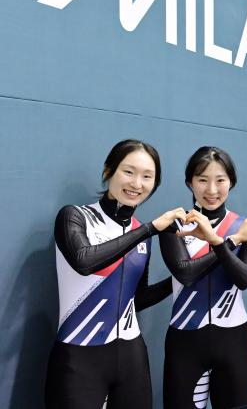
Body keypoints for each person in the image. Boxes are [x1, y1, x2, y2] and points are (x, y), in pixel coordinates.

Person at [45, 139, 185, 409]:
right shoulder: (75, 216)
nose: (137, 184)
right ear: (109, 170)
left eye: (147, 176)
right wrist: (149, 229)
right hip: (79, 355)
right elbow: (84, 261)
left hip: (132, 357)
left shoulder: (141, 234)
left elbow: (137, 298)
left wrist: (181, 279)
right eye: (128, 172)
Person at [159, 146, 247, 409]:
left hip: (234, 343)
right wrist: (230, 242)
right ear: (189, 182)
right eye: (202, 180)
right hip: (185, 342)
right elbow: (186, 273)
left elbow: (244, 279)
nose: (212, 190)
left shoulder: (246, 226)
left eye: (220, 180)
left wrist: (218, 241)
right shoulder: (174, 225)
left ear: (232, 182)